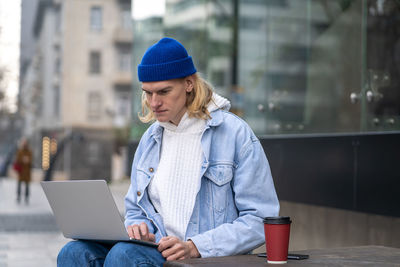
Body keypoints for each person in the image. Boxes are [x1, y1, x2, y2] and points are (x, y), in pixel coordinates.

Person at [57, 37, 279, 266]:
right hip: (159, 253)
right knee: (74, 252)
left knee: (123, 255)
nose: (154, 103)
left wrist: (195, 246)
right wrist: (139, 228)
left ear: (189, 84)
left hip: (207, 258)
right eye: (148, 93)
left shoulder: (235, 134)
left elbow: (261, 220)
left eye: (163, 91)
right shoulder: (150, 141)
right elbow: (136, 212)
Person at [14, 138, 33, 204]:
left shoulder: (29, 151)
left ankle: (26, 197)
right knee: (19, 184)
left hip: (27, 172)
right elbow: (17, 160)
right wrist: (23, 160)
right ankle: (18, 196)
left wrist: (27, 160)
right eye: (23, 142)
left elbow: (30, 160)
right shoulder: (20, 151)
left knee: (27, 185)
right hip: (21, 172)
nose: (24, 144)